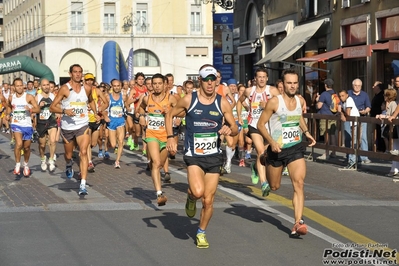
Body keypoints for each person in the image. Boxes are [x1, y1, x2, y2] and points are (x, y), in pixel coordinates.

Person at [166, 64, 238, 248]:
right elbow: (169, 115)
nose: (209, 83)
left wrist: (229, 128)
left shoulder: (222, 102)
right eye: (206, 79)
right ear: (200, 81)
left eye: (212, 79)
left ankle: (201, 232)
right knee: (198, 193)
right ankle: (190, 197)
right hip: (194, 155)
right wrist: (170, 137)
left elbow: (236, 127)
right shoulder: (190, 99)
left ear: (216, 81)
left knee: (208, 200)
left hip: (214, 155)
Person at [256, 68, 316, 237]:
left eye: (295, 83)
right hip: (276, 150)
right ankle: (265, 158)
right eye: (289, 83)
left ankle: (298, 222)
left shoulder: (299, 100)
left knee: (299, 183)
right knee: (274, 186)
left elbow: (299, 118)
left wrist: (307, 132)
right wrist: (272, 143)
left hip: (295, 148)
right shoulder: (275, 102)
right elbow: (261, 124)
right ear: (282, 84)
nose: (292, 86)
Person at [50, 64, 99, 196]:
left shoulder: (87, 89)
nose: (78, 74)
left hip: (82, 125)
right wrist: (65, 111)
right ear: (70, 73)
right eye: (75, 72)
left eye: (80, 72)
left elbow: (91, 101)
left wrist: (96, 112)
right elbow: (52, 107)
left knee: (83, 152)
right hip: (67, 127)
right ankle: (68, 164)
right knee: (68, 155)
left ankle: (82, 184)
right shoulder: (65, 89)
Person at [237, 67, 280, 196]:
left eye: (263, 77)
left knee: (266, 154)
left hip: (269, 126)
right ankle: (263, 183)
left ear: (267, 78)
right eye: (259, 77)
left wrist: (267, 106)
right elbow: (239, 102)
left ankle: (255, 168)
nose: (261, 79)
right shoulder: (249, 91)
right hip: (254, 124)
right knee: (260, 151)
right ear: (255, 79)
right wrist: (240, 116)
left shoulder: (272, 91)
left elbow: (281, 105)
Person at [137, 73, 178, 206]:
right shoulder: (147, 98)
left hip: (167, 136)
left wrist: (174, 115)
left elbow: (182, 111)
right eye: (154, 84)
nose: (157, 86)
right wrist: (142, 116)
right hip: (152, 134)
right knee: (155, 162)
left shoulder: (171, 98)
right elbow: (141, 108)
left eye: (159, 83)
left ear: (165, 84)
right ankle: (159, 194)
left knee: (160, 164)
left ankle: (156, 176)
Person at [6, 78, 41, 176]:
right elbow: (8, 107)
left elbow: (38, 109)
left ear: (23, 86)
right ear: (14, 87)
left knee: (27, 147)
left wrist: (30, 109)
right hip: (16, 124)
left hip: (27, 125)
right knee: (19, 143)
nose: (20, 87)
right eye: (17, 86)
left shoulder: (28, 97)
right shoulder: (11, 97)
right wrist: (8, 114)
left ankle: (25, 164)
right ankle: (17, 164)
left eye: (21, 85)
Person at [84, 73, 108, 172]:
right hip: (86, 120)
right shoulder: (81, 91)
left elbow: (106, 102)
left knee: (93, 143)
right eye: (87, 80)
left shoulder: (96, 90)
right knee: (88, 142)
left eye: (91, 80)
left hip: (96, 119)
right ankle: (89, 162)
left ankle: (84, 152)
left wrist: (99, 109)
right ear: (84, 81)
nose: (89, 82)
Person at [35, 79, 59, 172]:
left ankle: (51, 159)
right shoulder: (38, 97)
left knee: (53, 141)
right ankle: (42, 158)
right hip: (41, 123)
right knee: (42, 144)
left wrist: (57, 112)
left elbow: (58, 106)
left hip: (52, 121)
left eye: (47, 85)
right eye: (44, 85)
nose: (46, 87)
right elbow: (33, 109)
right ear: (41, 86)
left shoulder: (53, 96)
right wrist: (39, 106)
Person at [348, 78, 371, 164]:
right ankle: (352, 157)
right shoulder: (348, 93)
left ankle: (364, 157)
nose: (357, 87)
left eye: (359, 86)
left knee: (363, 137)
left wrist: (365, 111)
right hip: (351, 119)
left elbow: (368, 106)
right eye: (355, 85)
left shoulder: (364, 95)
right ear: (352, 85)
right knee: (351, 138)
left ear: (361, 86)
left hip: (362, 118)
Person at [376, 89, 398, 176]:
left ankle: (395, 170)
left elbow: (392, 116)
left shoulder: (393, 103)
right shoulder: (387, 104)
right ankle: (393, 169)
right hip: (391, 128)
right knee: (394, 149)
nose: (384, 97)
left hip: (394, 128)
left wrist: (383, 116)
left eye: (385, 95)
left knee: (395, 149)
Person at [105, 79, 126, 168]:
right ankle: (110, 143)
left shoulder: (124, 96)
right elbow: (102, 108)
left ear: (120, 86)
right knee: (113, 144)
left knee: (120, 141)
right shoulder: (108, 97)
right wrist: (105, 116)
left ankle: (117, 161)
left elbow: (127, 105)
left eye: (118, 86)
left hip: (120, 120)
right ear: (112, 86)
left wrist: (128, 109)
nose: (117, 87)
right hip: (111, 121)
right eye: (115, 86)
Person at [315, 78, 338, 159]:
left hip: (325, 116)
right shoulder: (335, 93)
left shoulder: (324, 94)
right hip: (333, 116)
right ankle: (334, 152)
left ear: (325, 85)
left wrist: (317, 100)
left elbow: (319, 106)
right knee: (332, 134)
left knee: (326, 134)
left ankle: (326, 153)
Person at [339, 89, 360, 169]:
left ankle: (352, 162)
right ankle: (349, 159)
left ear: (347, 95)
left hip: (354, 123)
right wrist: (341, 113)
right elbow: (340, 110)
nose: (341, 97)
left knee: (353, 142)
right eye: (340, 96)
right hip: (350, 123)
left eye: (343, 95)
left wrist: (342, 114)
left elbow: (348, 113)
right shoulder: (343, 102)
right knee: (348, 140)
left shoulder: (349, 99)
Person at [370, 82, 386, 152]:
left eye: (374, 86)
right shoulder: (376, 95)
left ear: (378, 87)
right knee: (377, 133)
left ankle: (382, 148)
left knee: (381, 133)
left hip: (381, 117)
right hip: (375, 117)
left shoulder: (382, 95)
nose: (372, 87)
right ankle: (378, 147)